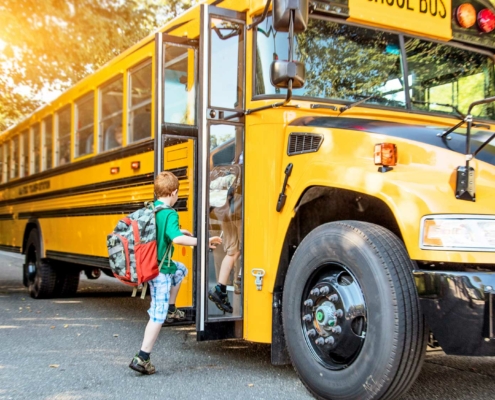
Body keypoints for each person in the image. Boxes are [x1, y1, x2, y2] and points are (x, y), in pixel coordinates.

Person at [129, 171, 222, 375]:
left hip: (153, 266)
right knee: (157, 316)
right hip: (160, 273)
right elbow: (177, 240)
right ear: (174, 192)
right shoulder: (170, 213)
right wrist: (203, 241)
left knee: (180, 269)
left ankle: (172, 307)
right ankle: (142, 357)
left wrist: (182, 232)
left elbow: (169, 233)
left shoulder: (152, 209)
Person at [208, 151, 243, 314]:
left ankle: (220, 288)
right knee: (244, 249)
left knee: (232, 252)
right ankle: (238, 283)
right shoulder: (250, 158)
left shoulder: (233, 163)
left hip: (226, 212)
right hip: (241, 212)